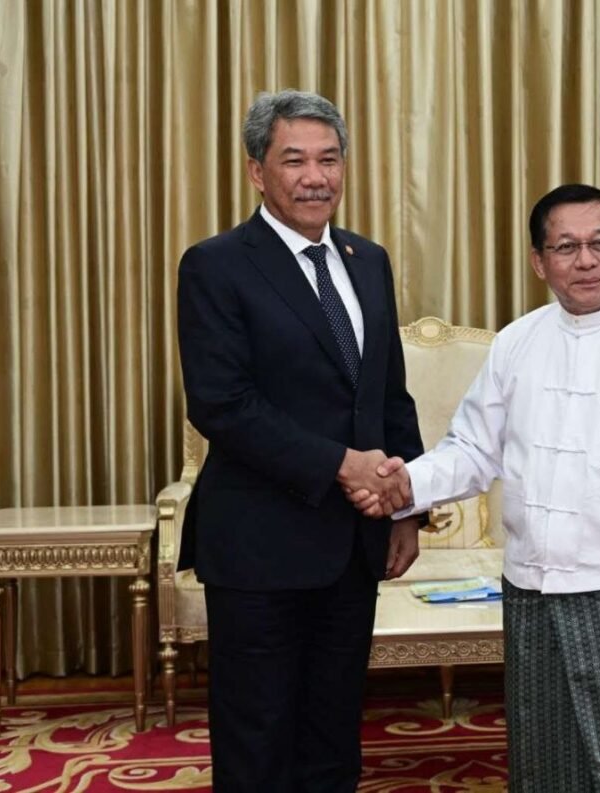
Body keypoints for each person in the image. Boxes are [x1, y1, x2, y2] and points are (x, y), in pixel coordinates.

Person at [351, 183, 600, 792]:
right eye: (565, 247)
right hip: (531, 595)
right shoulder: (516, 342)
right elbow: (472, 451)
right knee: (543, 767)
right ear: (539, 261)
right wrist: (403, 485)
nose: (586, 261)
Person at [176, 89, 419, 792]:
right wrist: (341, 464)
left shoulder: (367, 259)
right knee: (258, 741)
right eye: (294, 160)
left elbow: (389, 395)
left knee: (333, 736)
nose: (316, 177)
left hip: (354, 546)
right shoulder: (216, 265)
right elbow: (222, 403)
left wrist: (408, 507)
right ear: (257, 171)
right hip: (260, 548)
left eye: (329, 159)